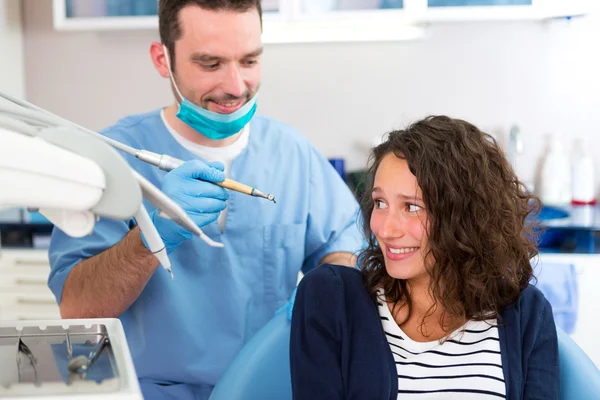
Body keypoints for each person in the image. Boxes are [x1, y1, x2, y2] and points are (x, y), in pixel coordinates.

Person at [47, 1, 362, 398]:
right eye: (211, 64)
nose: (235, 85)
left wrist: (328, 283)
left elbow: (348, 249)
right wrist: (146, 242)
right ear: (163, 60)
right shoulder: (112, 160)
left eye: (249, 61)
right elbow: (77, 309)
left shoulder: (293, 155)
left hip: (269, 390)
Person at [290, 116, 559, 399]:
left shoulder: (526, 314)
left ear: (466, 216)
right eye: (380, 203)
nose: (385, 228)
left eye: (411, 206)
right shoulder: (333, 298)